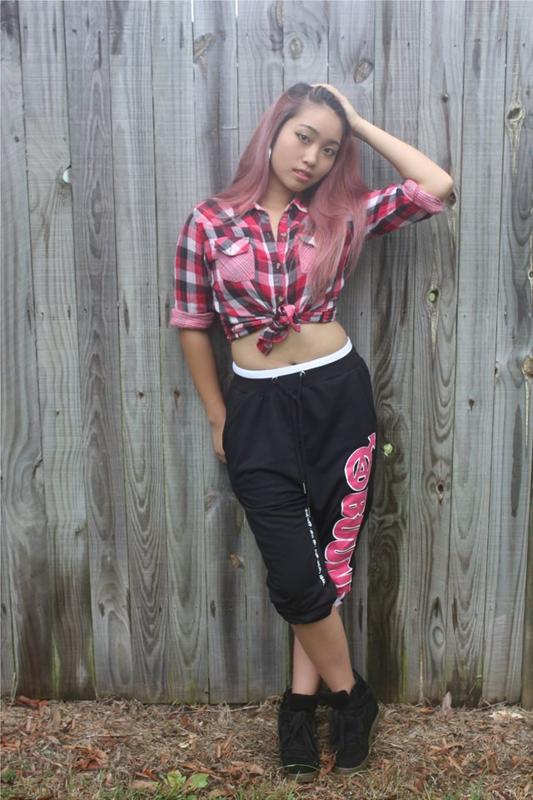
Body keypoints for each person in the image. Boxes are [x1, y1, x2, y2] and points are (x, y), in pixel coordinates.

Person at [170, 83, 454, 782]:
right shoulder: (208, 222)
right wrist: (219, 415)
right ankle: (353, 698)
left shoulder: (341, 215)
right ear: (273, 130)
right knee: (295, 572)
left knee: (330, 563)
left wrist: (356, 121)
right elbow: (192, 324)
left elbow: (435, 187)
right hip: (257, 408)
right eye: (304, 136)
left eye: (330, 149)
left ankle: (299, 708)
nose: (313, 157)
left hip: (337, 398)